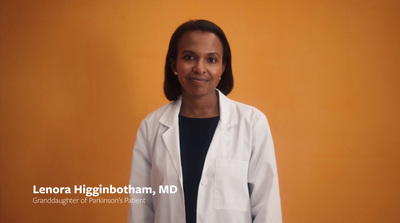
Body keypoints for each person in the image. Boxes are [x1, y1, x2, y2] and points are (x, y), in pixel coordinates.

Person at [128, 19, 282, 223]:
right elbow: (141, 206)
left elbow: (266, 206)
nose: (200, 68)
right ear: (174, 65)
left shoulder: (252, 123)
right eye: (189, 57)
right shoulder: (151, 127)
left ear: (223, 68)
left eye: (211, 60)